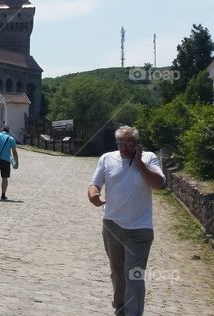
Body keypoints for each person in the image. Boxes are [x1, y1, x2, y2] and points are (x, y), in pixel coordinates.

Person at [87, 126, 165, 316]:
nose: (125, 148)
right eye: (121, 144)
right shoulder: (107, 158)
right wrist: (93, 195)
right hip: (112, 225)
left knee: (134, 274)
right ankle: (120, 307)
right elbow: (95, 183)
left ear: (137, 144)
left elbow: (159, 184)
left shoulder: (149, 158)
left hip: (140, 229)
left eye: (129, 144)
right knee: (117, 271)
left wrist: (139, 163)